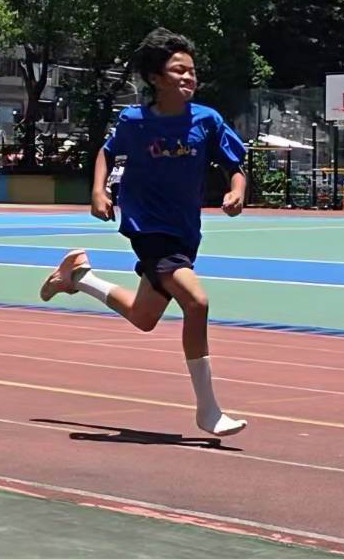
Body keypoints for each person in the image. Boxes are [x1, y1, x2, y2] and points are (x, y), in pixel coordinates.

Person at [37, 28, 248, 438]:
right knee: (197, 303)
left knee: (144, 317)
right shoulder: (135, 121)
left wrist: (236, 192)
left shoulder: (207, 120)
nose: (188, 78)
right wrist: (98, 190)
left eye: (192, 71)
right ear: (155, 77)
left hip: (185, 231)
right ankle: (208, 410)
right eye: (178, 70)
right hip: (149, 228)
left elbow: (235, 166)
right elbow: (107, 151)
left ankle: (78, 278)